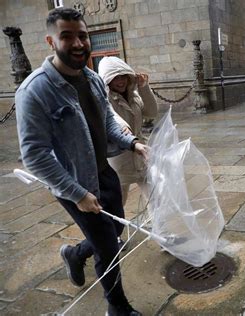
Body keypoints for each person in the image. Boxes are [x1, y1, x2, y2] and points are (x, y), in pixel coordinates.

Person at [15, 8, 145, 316]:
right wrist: (77, 194)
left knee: (112, 232)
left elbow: (106, 122)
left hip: (105, 172)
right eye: (67, 36)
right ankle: (117, 307)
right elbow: (34, 154)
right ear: (51, 41)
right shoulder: (34, 91)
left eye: (82, 36)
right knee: (108, 247)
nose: (77, 43)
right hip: (75, 184)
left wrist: (134, 143)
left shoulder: (92, 79)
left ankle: (74, 254)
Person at [97, 56, 158, 207]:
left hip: (141, 155)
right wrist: (122, 127)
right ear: (107, 80)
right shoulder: (103, 98)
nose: (121, 80)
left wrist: (144, 88)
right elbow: (110, 115)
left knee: (155, 199)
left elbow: (151, 112)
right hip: (118, 160)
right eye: (115, 77)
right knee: (118, 204)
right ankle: (115, 231)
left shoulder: (134, 95)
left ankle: (159, 228)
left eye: (123, 76)